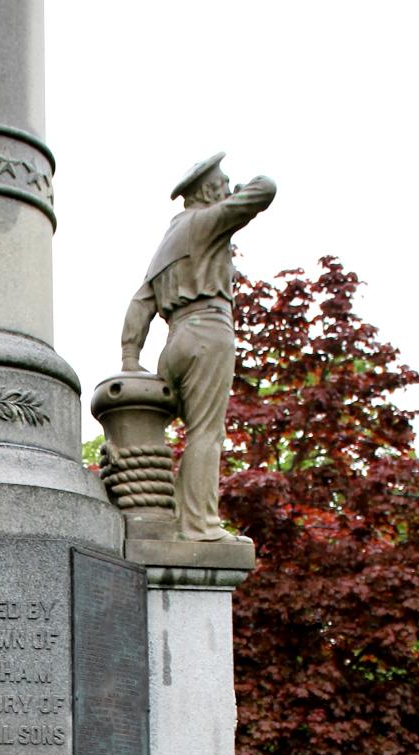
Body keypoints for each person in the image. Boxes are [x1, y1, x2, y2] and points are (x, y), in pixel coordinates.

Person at [120, 152, 275, 541]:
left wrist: (130, 356)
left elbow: (141, 303)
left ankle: (160, 514)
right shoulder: (206, 221)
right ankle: (200, 525)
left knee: (157, 430)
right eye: (222, 185)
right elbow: (264, 188)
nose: (228, 189)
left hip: (174, 343)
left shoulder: (167, 243)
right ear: (207, 192)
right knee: (207, 432)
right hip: (209, 331)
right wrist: (229, 202)